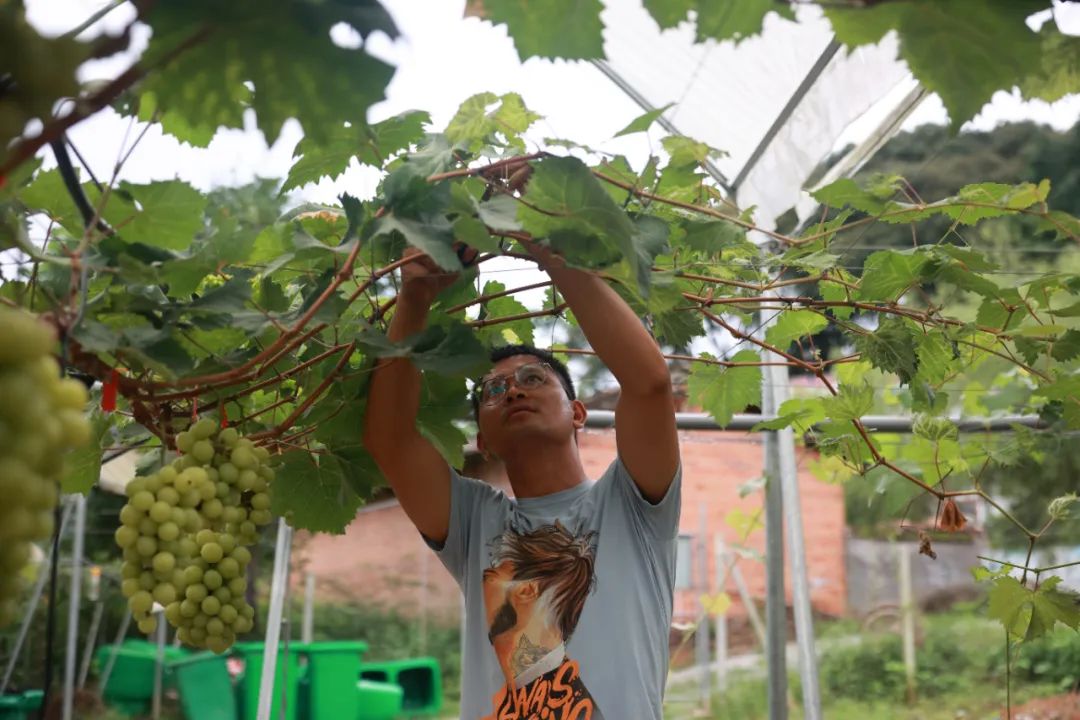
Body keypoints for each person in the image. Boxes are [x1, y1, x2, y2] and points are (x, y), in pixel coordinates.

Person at [363, 240, 681, 720]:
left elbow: (650, 383)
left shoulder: (633, 504)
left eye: (534, 379)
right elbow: (389, 440)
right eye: (493, 390)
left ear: (577, 413)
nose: (511, 389)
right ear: (483, 442)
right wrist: (415, 298)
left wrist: (554, 250)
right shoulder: (474, 522)